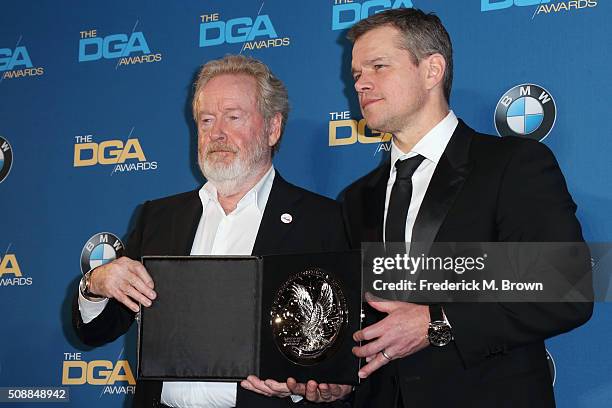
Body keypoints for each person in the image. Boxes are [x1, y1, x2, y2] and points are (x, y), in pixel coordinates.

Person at [342, 8, 593, 407]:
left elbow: (564, 290)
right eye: (357, 74)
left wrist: (437, 322)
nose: (361, 84)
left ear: (432, 70)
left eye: (378, 66)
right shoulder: (355, 199)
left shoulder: (512, 165)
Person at [72, 55, 352, 408]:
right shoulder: (159, 217)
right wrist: (95, 285)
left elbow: (341, 355)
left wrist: (317, 386)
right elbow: (98, 330)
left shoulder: (324, 221)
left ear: (272, 128)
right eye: (206, 120)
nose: (216, 132)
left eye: (233, 117)